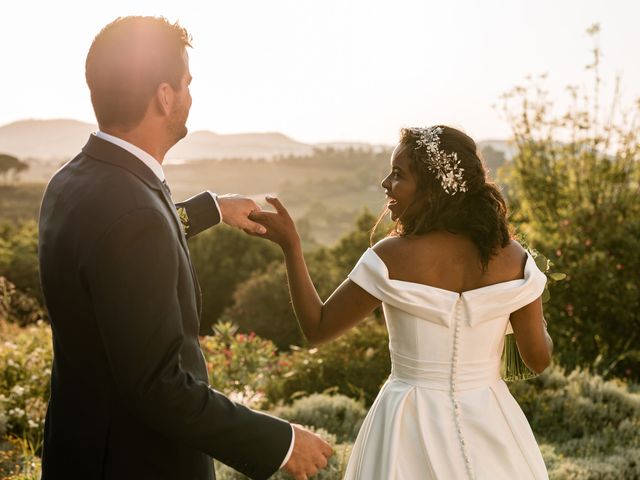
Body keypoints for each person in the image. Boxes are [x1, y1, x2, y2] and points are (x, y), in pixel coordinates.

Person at [38, 16, 331, 480]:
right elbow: (159, 387)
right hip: (138, 463)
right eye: (187, 82)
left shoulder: (75, 179)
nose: (191, 95)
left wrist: (212, 208)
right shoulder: (132, 213)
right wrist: (281, 442)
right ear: (165, 95)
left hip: (80, 449)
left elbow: (119, 247)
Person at [250, 125, 553, 479]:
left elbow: (317, 328)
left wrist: (292, 247)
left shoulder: (392, 256)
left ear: (433, 189)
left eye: (398, 175)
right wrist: (533, 308)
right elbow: (537, 358)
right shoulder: (514, 258)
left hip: (406, 423)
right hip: (491, 424)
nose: (385, 184)